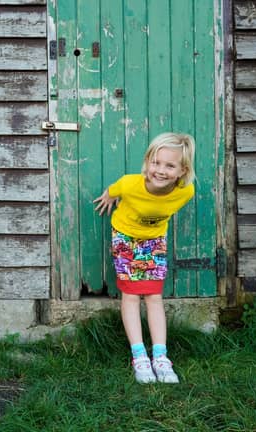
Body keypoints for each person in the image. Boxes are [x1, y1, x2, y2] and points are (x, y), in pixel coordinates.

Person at [93, 132, 195, 384]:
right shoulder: (130, 184)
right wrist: (109, 196)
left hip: (154, 241)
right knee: (130, 294)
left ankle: (160, 357)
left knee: (153, 295)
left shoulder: (186, 192)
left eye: (169, 166)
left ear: (182, 171)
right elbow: (114, 189)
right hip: (126, 238)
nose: (160, 171)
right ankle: (139, 356)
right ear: (147, 162)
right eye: (155, 162)